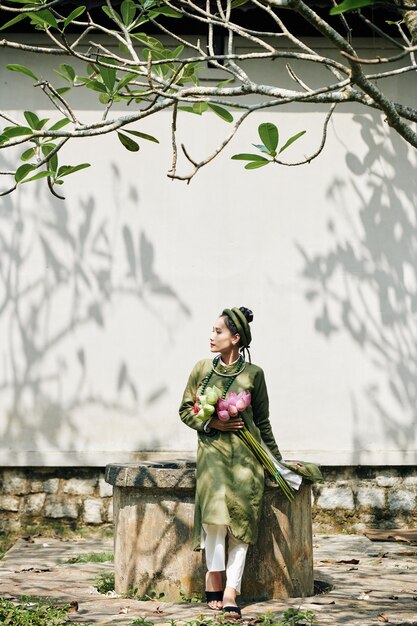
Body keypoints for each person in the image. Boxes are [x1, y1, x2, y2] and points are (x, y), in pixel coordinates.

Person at [179, 306, 282, 617]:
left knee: (241, 527)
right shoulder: (201, 370)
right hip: (212, 460)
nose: (212, 336)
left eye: (218, 331)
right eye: (212, 331)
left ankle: (231, 591)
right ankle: (214, 574)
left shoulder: (254, 375)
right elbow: (186, 411)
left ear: (235, 338)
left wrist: (276, 461)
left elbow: (262, 422)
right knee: (214, 522)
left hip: (246, 462)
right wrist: (213, 424)